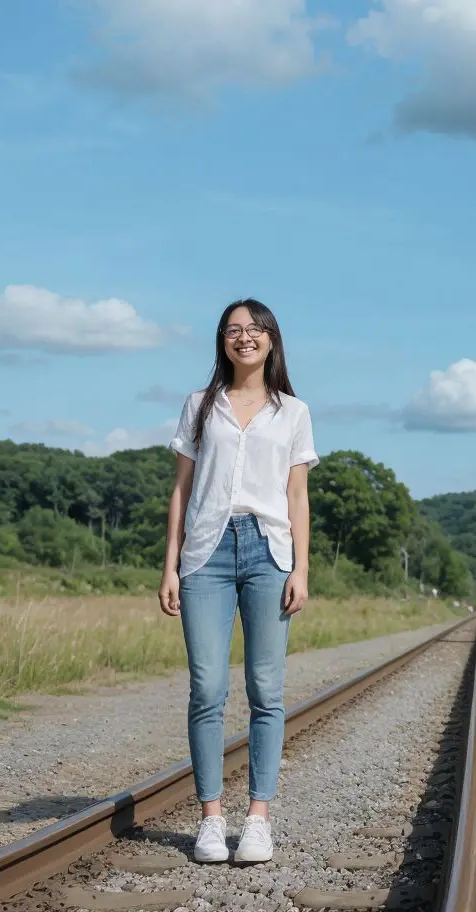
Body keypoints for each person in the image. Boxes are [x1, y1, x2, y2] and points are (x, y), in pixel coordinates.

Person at [158, 298, 318, 865]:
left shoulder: (293, 412)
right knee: (207, 688)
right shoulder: (200, 406)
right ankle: (210, 819)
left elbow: (297, 495)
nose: (243, 337)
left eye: (254, 329)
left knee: (266, 692)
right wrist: (170, 563)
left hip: (268, 552)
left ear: (272, 339)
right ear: (222, 342)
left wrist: (301, 566)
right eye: (232, 330)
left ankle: (257, 820)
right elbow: (181, 489)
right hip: (206, 552)